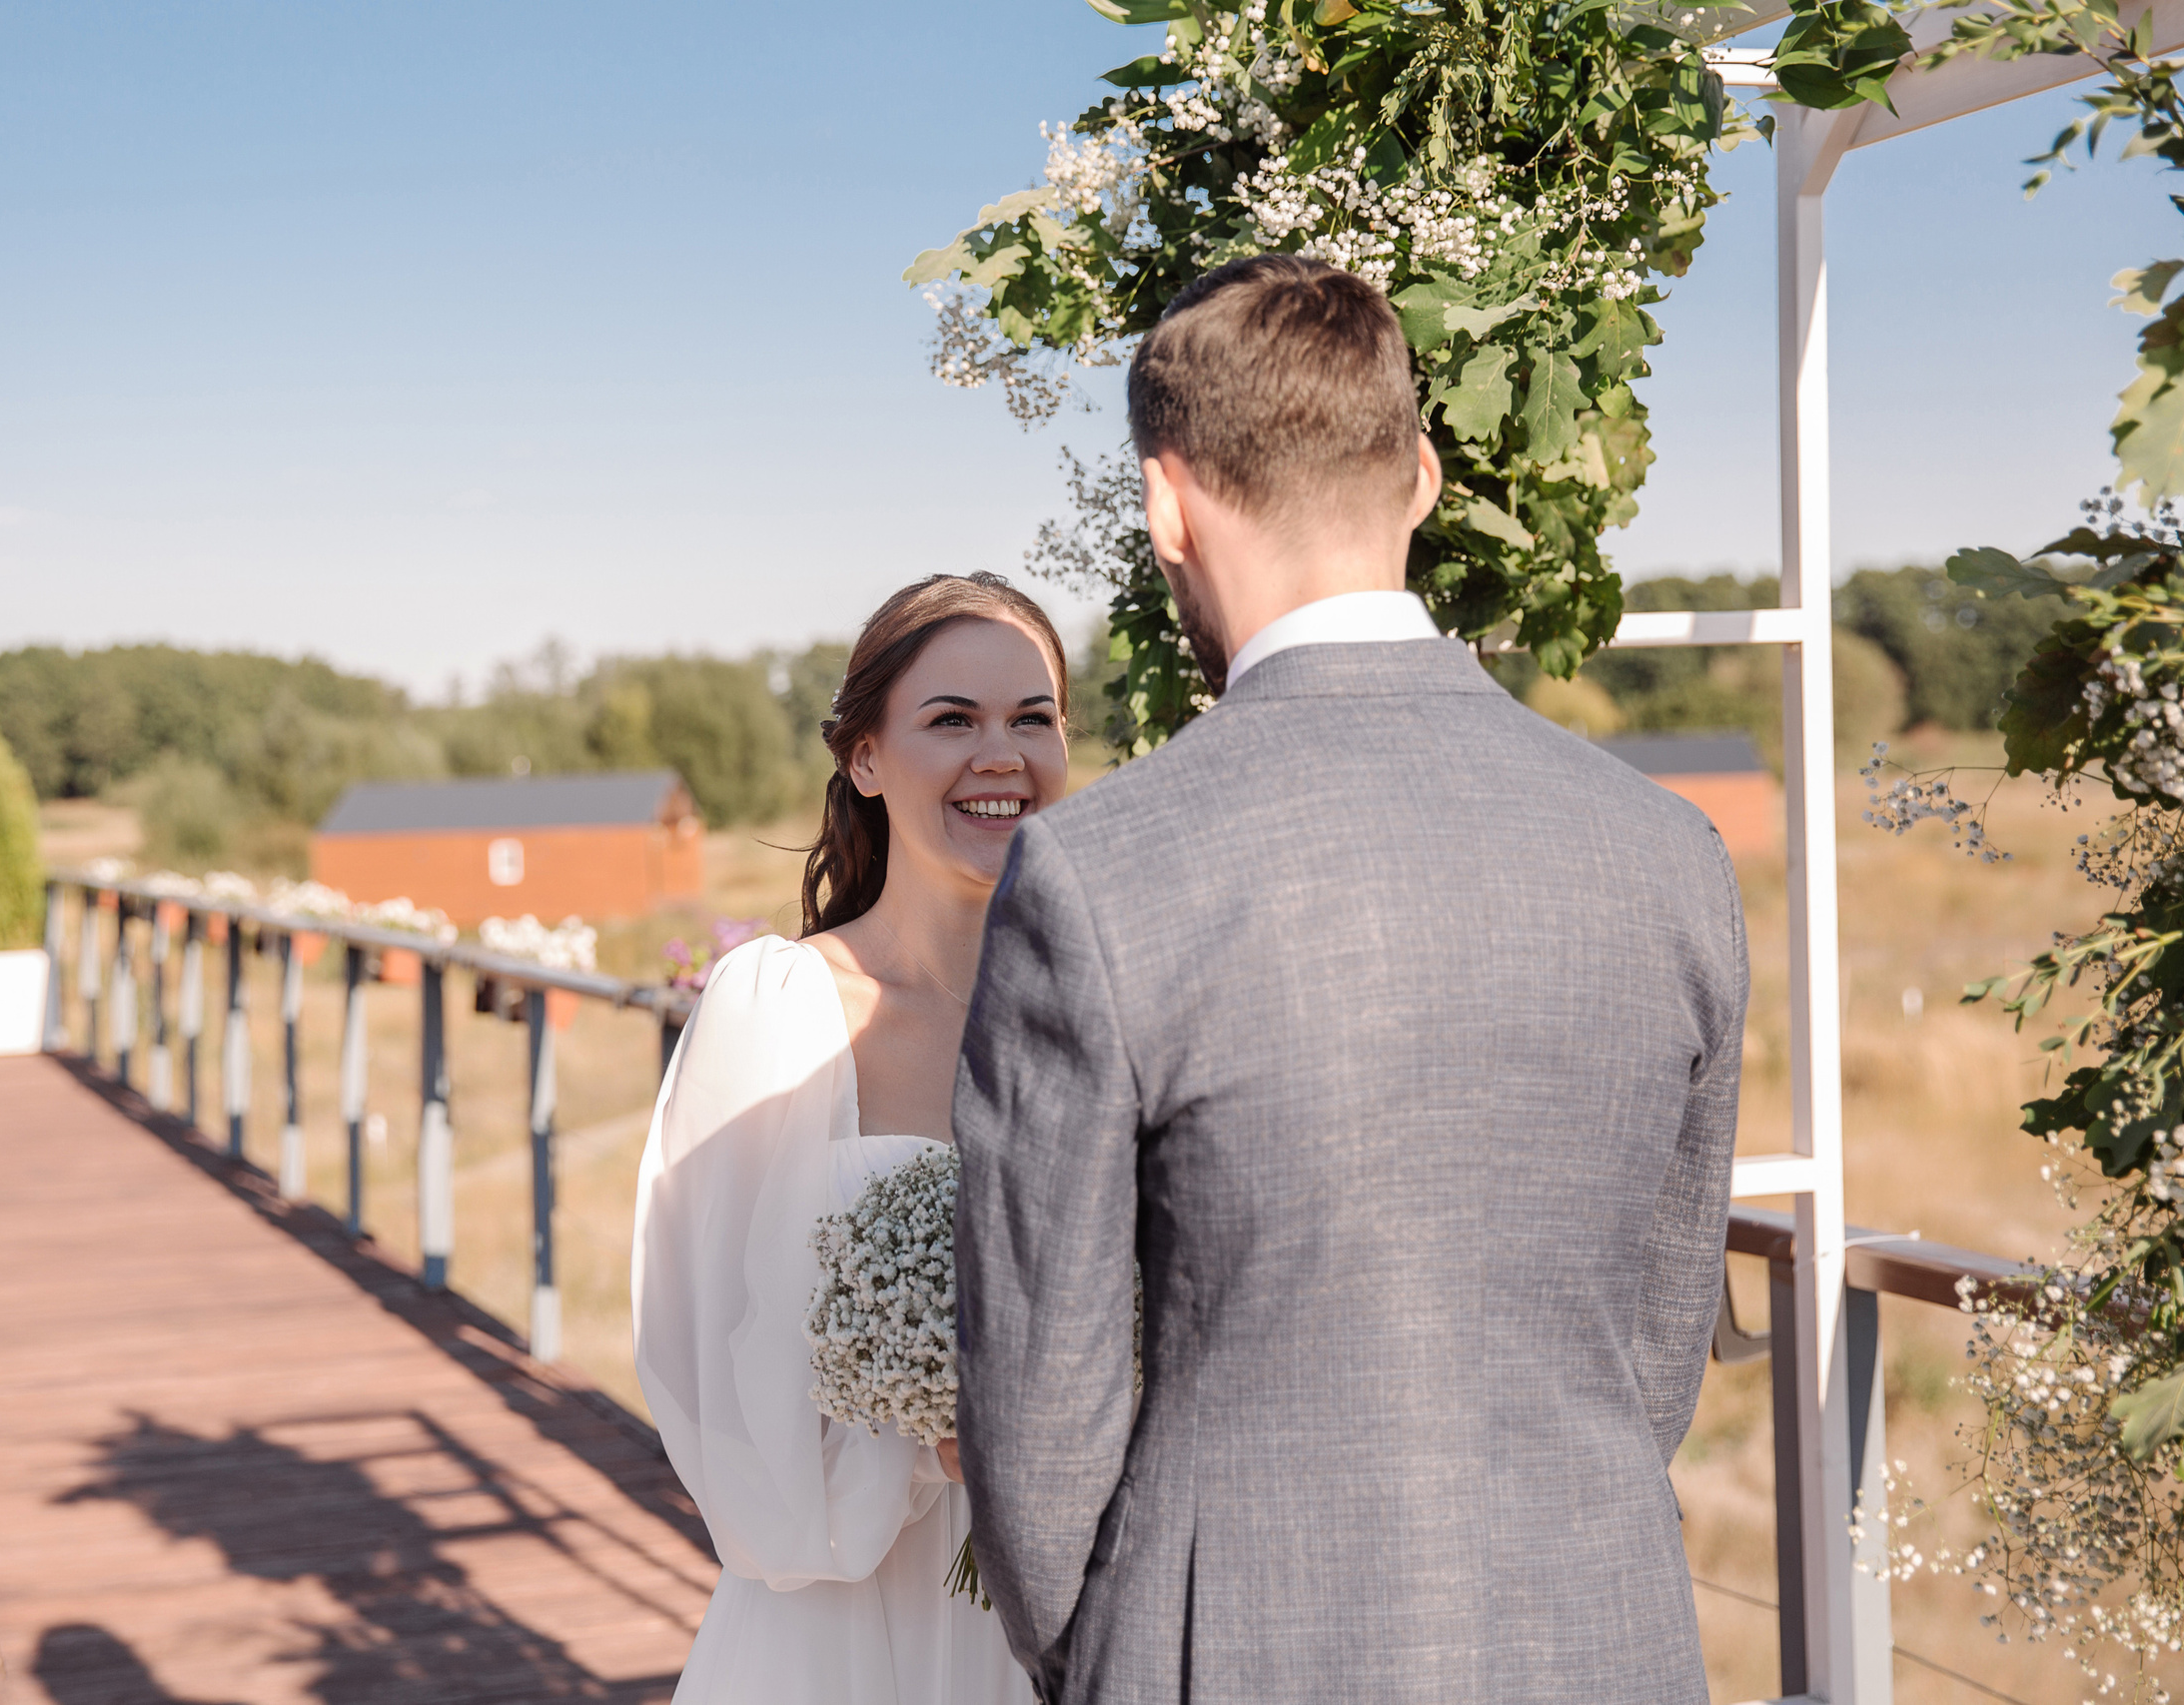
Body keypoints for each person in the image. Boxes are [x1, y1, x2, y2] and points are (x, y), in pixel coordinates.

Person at [952, 254, 1748, 1704]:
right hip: (1602, 1630)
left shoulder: (1098, 873)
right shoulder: (1671, 849)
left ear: (1164, 502)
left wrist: (1115, 1648)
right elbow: (1654, 1342)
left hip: (1226, 1642)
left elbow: (1037, 1406)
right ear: (1425, 477)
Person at [631, 570, 1072, 1704]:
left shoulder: (1100, 1005)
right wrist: (937, 1447)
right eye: (951, 720)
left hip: (1077, 1598)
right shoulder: (778, 1008)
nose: (1001, 754)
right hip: (848, 1619)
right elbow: (703, 1359)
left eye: (1034, 717)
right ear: (865, 758)